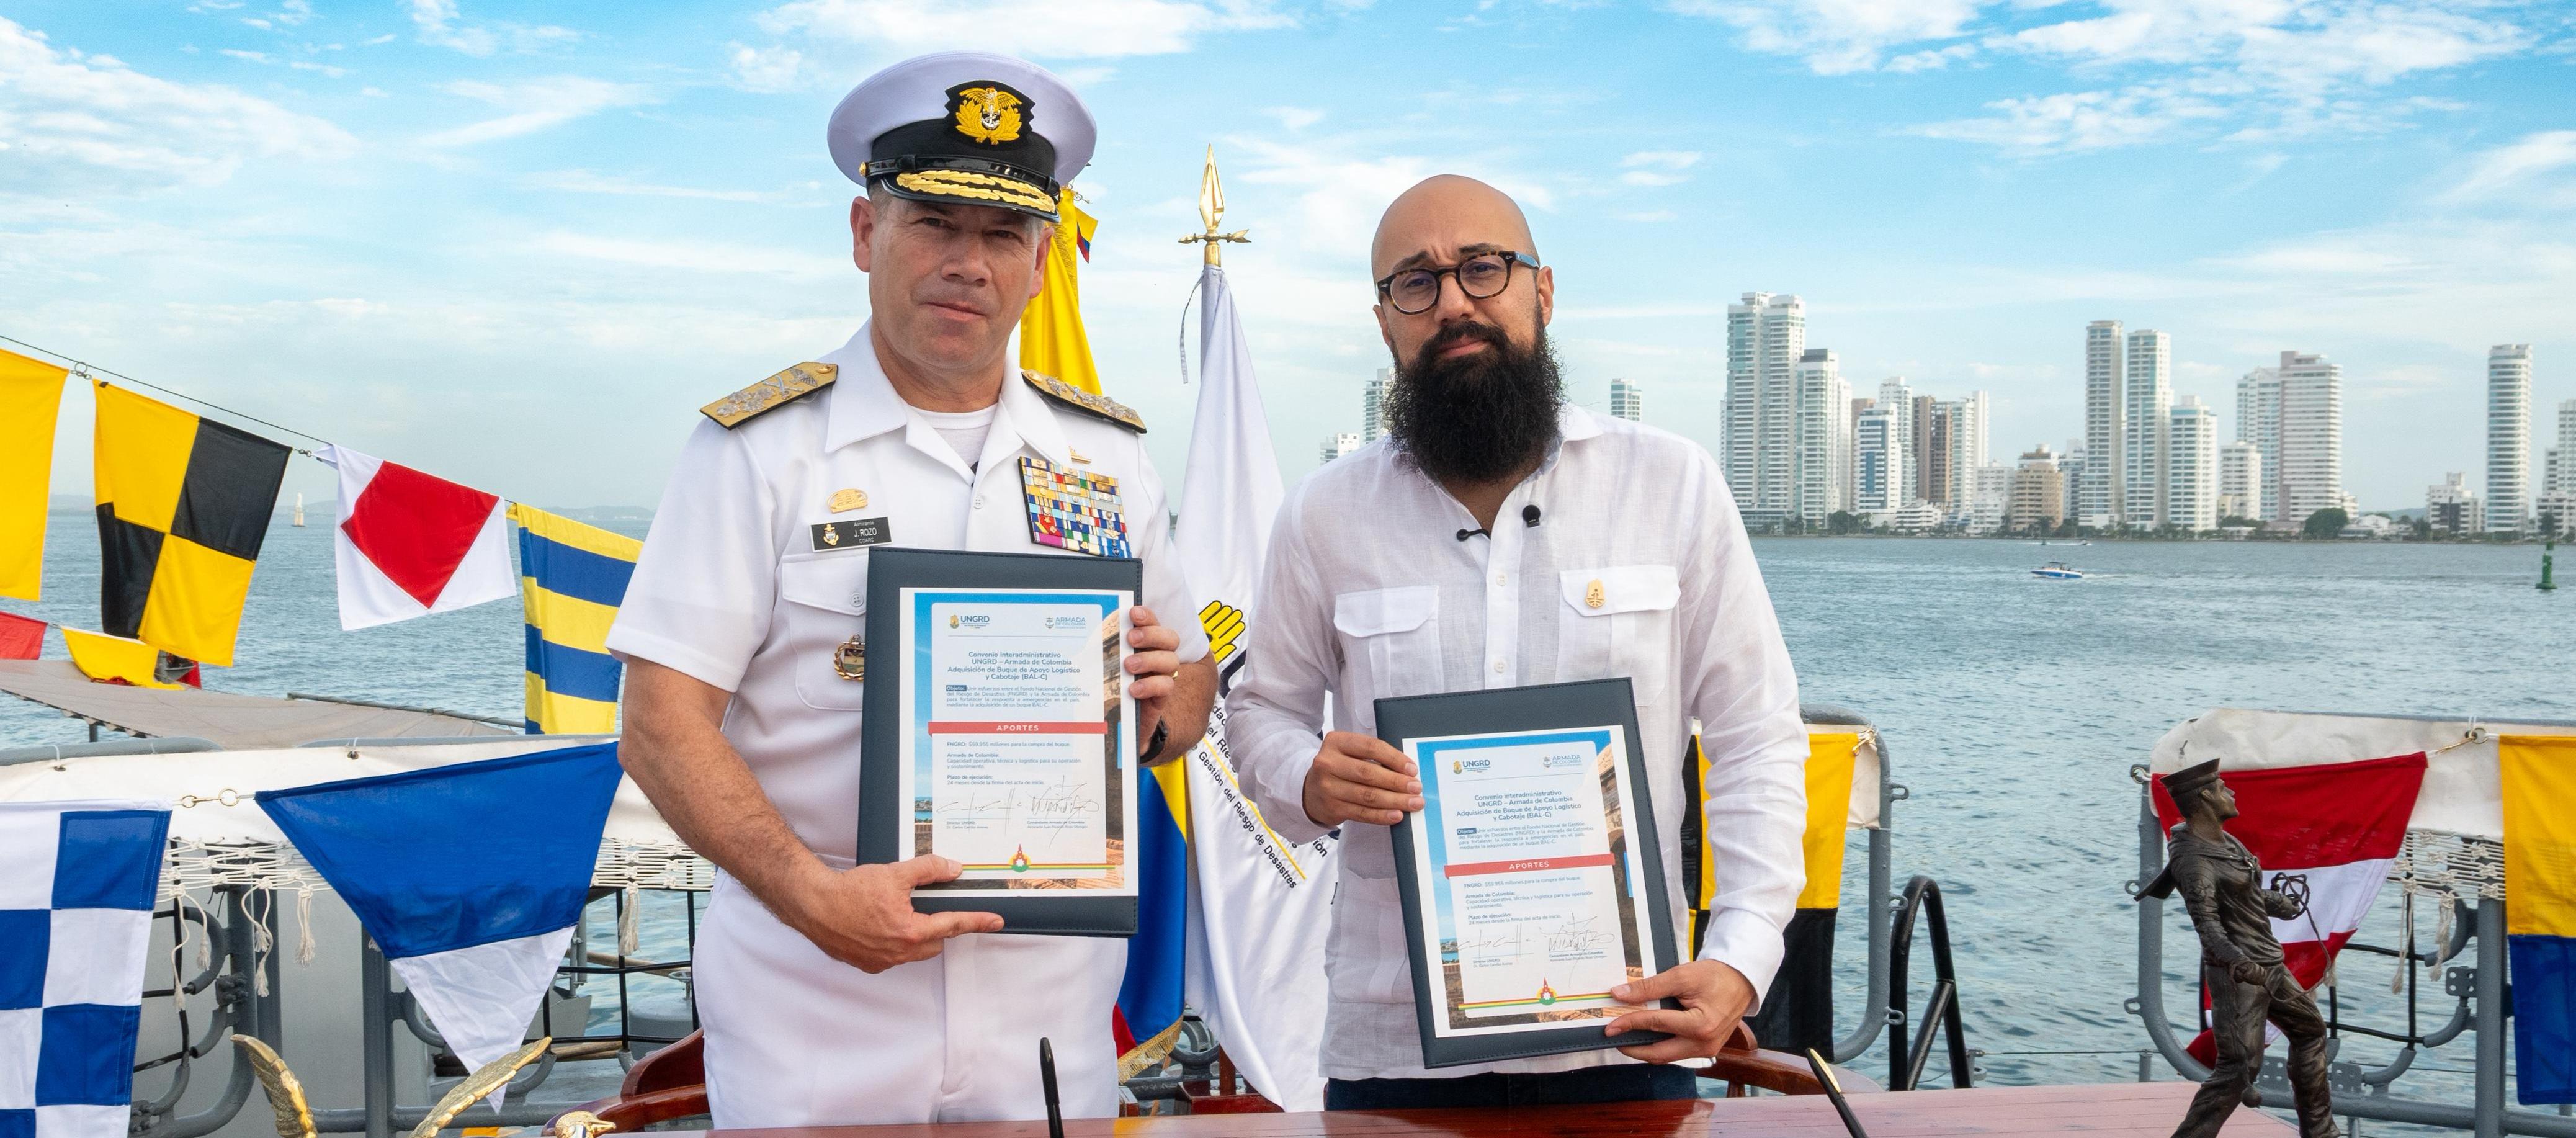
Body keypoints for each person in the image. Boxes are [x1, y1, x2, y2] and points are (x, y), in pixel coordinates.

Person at [603, 52, 1216, 1127]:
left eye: (1001, 236)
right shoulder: (759, 451)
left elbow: (1189, 696)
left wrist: (1163, 713)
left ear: (1040, 262)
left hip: (1044, 1013)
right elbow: (660, 724)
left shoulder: (1109, 457)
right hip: (814, 1000)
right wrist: (810, 896)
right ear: (863, 234)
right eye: (933, 222)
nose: (966, 263)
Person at [1225, 174, 1810, 1108]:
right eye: (1416, 283)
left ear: (1541, 290)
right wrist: (1306, 776)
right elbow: (1259, 713)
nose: (1454, 301)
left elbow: (1757, 739)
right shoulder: (1323, 514)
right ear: (1386, 323)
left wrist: (1740, 957)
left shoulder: (1672, 486)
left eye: (1483, 269)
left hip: (1629, 1034)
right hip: (1395, 1049)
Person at [2140, 759, 2335, 1138]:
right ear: (2206, 797)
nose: (2232, 793)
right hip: (2241, 975)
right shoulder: (2193, 860)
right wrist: (2239, 962)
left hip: (2271, 965)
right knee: (2239, 1069)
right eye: (2224, 788)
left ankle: (2321, 1132)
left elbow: (2240, 893)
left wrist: (2273, 902)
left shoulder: (2227, 842)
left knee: (2311, 1031)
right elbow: (2208, 926)